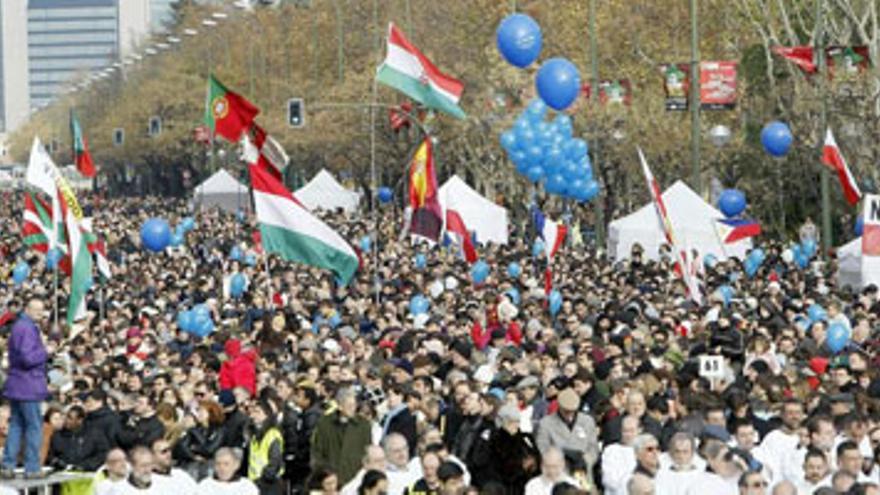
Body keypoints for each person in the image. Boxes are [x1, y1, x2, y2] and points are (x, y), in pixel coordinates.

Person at [0, 298, 50, 479]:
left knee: (16, 426)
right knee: (33, 426)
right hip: (28, 385)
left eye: (42, 310)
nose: (40, 314)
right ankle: (32, 467)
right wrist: (45, 351)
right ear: (27, 309)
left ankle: (8, 465)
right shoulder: (27, 328)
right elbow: (28, 358)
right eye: (37, 310)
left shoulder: (20, 326)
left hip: (16, 385)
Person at [535, 388, 598, 489]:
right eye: (566, 411)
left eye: (572, 411)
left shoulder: (587, 421)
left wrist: (584, 460)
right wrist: (561, 458)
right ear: (559, 407)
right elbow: (543, 448)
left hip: (582, 473)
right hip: (558, 473)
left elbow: (593, 448)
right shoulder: (546, 423)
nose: (569, 415)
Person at [312, 387, 372, 485]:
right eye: (349, 406)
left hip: (355, 480)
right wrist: (323, 475)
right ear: (340, 406)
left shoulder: (363, 425)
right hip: (331, 480)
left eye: (354, 405)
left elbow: (368, 452)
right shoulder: (325, 423)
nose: (353, 408)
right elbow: (317, 452)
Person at [488, 404, 540, 494]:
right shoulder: (497, 439)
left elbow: (537, 454)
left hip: (531, 481)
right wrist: (521, 467)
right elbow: (501, 463)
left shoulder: (526, 437)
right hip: (509, 486)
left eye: (517, 421)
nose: (516, 425)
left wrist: (535, 462)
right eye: (511, 421)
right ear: (503, 422)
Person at [174, 400, 225, 481]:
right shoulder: (195, 429)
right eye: (198, 410)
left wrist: (193, 446)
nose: (199, 413)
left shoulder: (219, 430)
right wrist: (193, 456)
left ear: (210, 413)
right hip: (193, 464)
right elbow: (182, 446)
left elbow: (209, 449)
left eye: (202, 411)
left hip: (210, 464)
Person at [46, 405, 106, 472]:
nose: (66, 421)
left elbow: (102, 454)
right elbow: (50, 454)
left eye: (70, 418)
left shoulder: (94, 434)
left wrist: (84, 466)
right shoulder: (57, 435)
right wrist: (56, 462)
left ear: (80, 420)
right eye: (66, 417)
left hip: (86, 473)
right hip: (62, 473)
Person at [247, 399, 284, 495]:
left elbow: (275, 460)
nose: (253, 415)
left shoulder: (272, 434)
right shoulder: (255, 435)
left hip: (268, 483)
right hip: (255, 481)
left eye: (257, 412)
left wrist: (264, 478)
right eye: (252, 412)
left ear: (267, 415)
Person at [601, 415, 639, 495]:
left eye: (632, 431)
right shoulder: (611, 450)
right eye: (625, 431)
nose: (628, 434)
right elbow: (609, 480)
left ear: (639, 430)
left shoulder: (645, 450)